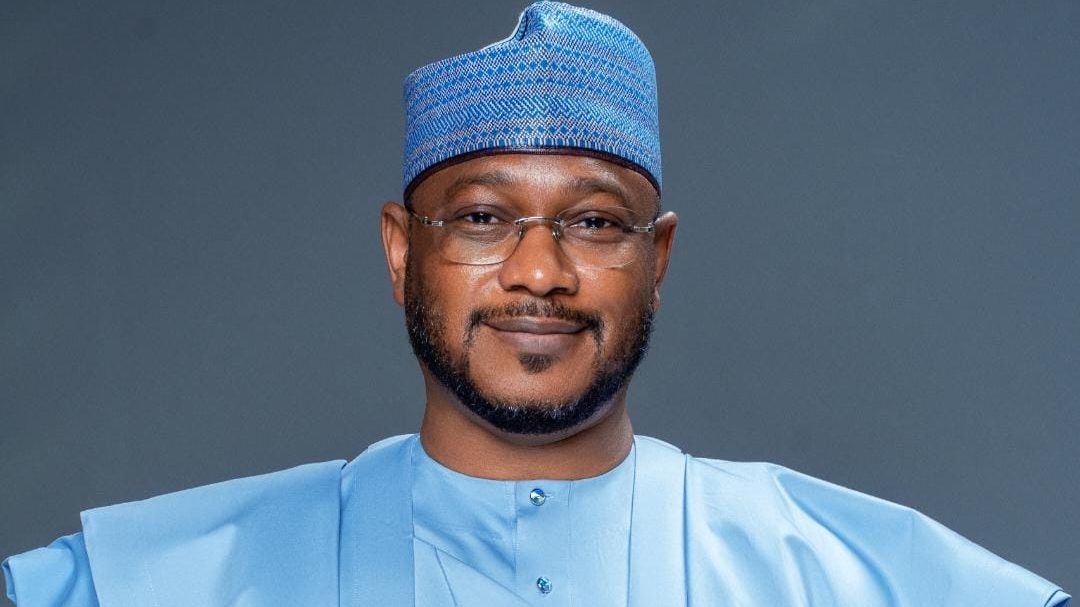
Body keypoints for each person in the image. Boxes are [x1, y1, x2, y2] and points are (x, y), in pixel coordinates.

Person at [2, 2, 1069, 606]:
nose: (539, 271)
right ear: (401, 251)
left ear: (658, 257)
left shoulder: (825, 570)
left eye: (594, 222)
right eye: (481, 217)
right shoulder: (176, 576)